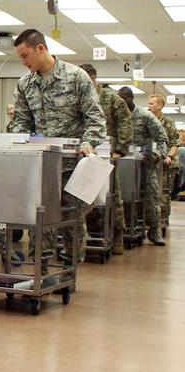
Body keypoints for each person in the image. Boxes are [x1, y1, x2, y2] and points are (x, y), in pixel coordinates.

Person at [11, 29, 106, 264]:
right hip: (41, 165)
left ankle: (70, 270)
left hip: (73, 165)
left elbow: (95, 118)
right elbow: (21, 122)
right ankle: (39, 269)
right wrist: (19, 143)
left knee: (71, 219)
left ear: (40, 49)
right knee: (40, 218)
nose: (23, 62)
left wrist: (88, 143)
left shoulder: (76, 77)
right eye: (20, 58)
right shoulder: (25, 84)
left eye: (25, 56)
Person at [80, 64, 133, 255]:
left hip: (105, 153)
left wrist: (120, 150)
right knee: (82, 196)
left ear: (93, 78)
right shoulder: (77, 96)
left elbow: (126, 122)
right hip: (83, 153)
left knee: (113, 196)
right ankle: (83, 236)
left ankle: (117, 233)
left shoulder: (111, 98)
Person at [118, 87, 168, 245]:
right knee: (120, 197)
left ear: (131, 99)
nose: (123, 104)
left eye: (125, 100)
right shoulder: (116, 115)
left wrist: (158, 155)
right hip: (122, 161)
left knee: (151, 196)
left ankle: (154, 232)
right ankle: (122, 231)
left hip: (144, 162)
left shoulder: (145, 116)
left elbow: (162, 138)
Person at [148, 94, 179, 229]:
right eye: (148, 104)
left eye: (151, 104)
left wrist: (169, 156)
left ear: (160, 105)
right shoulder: (145, 120)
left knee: (163, 193)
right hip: (149, 162)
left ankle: (162, 221)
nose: (149, 106)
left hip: (165, 164)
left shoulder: (168, 123)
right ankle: (148, 220)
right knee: (147, 192)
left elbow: (174, 143)